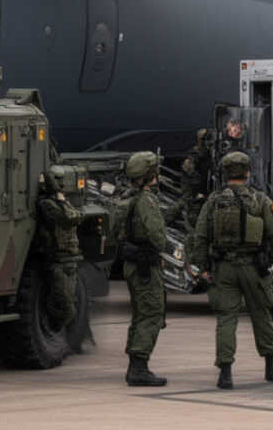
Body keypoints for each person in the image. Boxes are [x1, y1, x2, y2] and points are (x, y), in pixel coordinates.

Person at [187, 151, 273, 389]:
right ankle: (271, 367)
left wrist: (202, 268)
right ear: (248, 173)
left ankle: (225, 373)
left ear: (225, 173)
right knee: (261, 316)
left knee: (226, 319)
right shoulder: (260, 200)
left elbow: (200, 236)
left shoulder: (213, 201)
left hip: (223, 268)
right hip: (254, 268)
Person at [121, 151, 168, 387]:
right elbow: (157, 234)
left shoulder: (128, 197)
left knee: (140, 314)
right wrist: (162, 248)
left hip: (132, 263)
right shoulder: (146, 201)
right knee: (151, 314)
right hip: (145, 265)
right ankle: (139, 368)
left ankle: (134, 365)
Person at [35, 166, 83, 344]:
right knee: (66, 310)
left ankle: (61, 336)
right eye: (58, 181)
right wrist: (61, 200)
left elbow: (76, 216)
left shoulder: (61, 202)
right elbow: (69, 217)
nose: (62, 185)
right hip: (57, 261)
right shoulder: (47, 204)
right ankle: (51, 335)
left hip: (69, 259)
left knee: (70, 304)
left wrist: (62, 200)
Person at [180, 129, 213, 233]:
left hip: (199, 183)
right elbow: (187, 167)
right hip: (191, 184)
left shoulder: (205, 151)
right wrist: (196, 179)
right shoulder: (196, 152)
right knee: (185, 202)